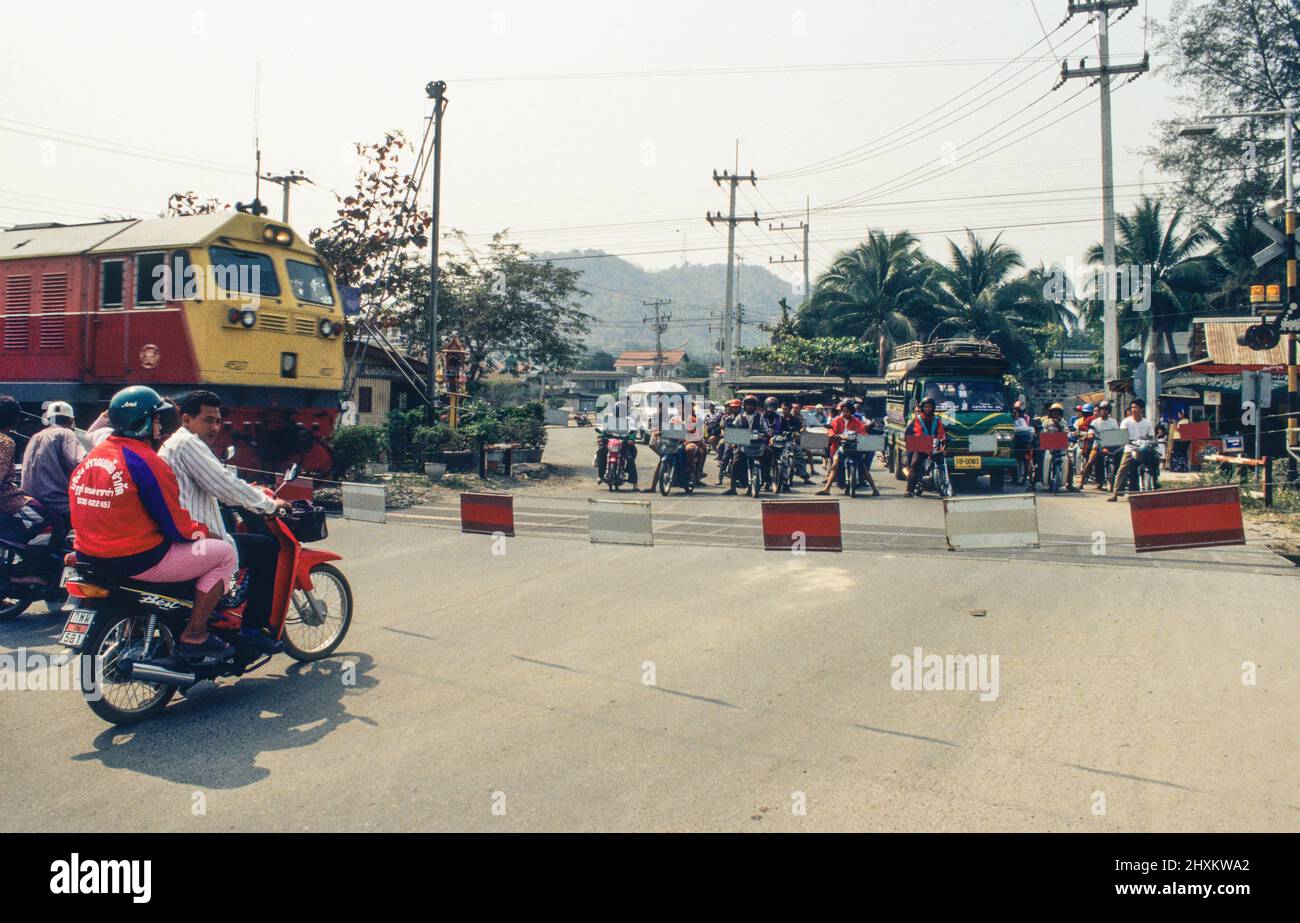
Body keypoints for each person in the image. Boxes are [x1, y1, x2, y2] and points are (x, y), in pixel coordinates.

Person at [68, 386, 238, 660]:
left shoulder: (93, 458)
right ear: (143, 421)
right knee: (224, 553)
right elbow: (176, 525)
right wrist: (207, 534)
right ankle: (195, 633)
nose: (160, 425)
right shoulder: (146, 461)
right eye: (156, 419)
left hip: (91, 555)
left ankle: (139, 630)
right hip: (137, 559)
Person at [159, 391, 292, 655]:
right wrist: (268, 505)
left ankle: (221, 608)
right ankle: (253, 630)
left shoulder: (175, 444)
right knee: (266, 549)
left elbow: (215, 483)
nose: (215, 427)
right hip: (195, 537)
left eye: (218, 421)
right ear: (186, 419)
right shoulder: (188, 444)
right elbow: (224, 483)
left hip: (183, 530)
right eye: (208, 420)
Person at [16, 399, 84, 550]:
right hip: (58, 503)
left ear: (48, 419)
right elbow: (82, 463)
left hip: (33, 500)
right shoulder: (66, 434)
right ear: (72, 420)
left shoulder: (36, 436)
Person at [815, 402, 876, 496]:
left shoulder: (856, 421)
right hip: (840, 446)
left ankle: (875, 490)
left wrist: (862, 436)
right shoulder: (837, 420)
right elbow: (831, 430)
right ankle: (826, 489)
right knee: (835, 465)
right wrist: (833, 435)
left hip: (854, 447)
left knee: (863, 467)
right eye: (843, 411)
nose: (845, 413)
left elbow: (862, 430)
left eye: (847, 411)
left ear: (851, 412)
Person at [1107, 399, 1157, 501]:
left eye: (1136, 407)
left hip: (1144, 449)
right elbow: (1122, 436)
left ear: (1141, 409)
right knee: (1122, 469)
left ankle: (1155, 483)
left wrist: (1150, 441)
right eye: (1132, 407)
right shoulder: (1126, 421)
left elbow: (1151, 436)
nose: (1133, 409)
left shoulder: (1147, 423)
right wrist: (1127, 441)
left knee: (1155, 461)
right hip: (1130, 449)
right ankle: (1115, 493)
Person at [905, 396, 946, 498]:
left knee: (941, 460)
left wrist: (942, 440)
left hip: (933, 444)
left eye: (930, 407)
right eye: (926, 407)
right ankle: (909, 490)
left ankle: (944, 483)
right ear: (922, 408)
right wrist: (925, 445)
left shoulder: (937, 420)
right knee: (914, 465)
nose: (928, 409)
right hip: (920, 444)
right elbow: (917, 433)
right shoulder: (917, 419)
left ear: (933, 408)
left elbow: (940, 433)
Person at [1076, 400, 1118, 490]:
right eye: (1102, 409)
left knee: (1117, 460)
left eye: (1106, 409)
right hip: (1097, 445)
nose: (1103, 411)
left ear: (1109, 411)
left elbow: (1116, 433)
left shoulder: (1113, 422)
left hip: (1110, 445)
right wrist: (1091, 435)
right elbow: (1090, 432)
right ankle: (1081, 482)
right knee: (1090, 462)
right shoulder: (1095, 422)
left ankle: (1117, 482)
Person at [721, 396, 760, 495]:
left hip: (757, 446)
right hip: (743, 445)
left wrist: (766, 434)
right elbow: (734, 429)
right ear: (745, 405)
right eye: (748, 404)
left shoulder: (760, 417)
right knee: (735, 462)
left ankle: (769, 480)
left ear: (755, 406)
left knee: (769, 454)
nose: (749, 406)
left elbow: (766, 429)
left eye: (752, 404)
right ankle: (732, 488)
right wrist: (733, 442)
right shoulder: (740, 417)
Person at [1032, 402, 1070, 492]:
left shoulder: (1063, 422)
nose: (1056, 414)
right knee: (1042, 459)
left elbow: (1066, 433)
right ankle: (1036, 481)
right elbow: (1044, 433)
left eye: (1058, 412)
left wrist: (1058, 425)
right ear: (1050, 413)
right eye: (1054, 412)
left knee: (1069, 461)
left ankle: (1069, 484)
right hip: (1049, 445)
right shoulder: (1046, 422)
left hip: (1060, 445)